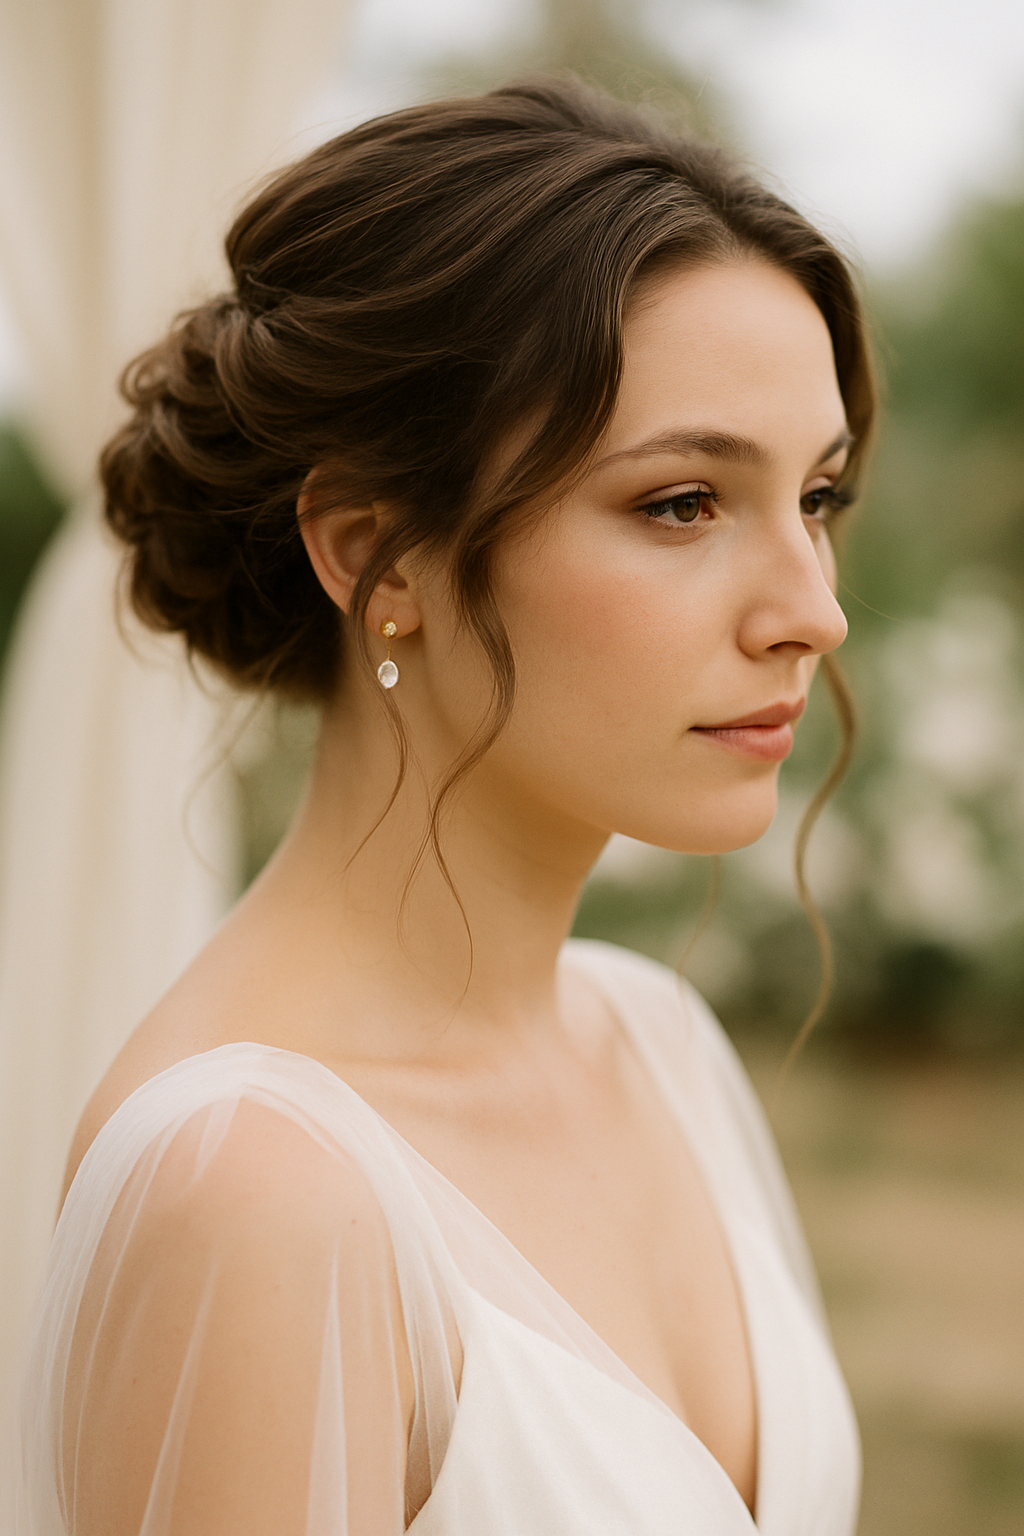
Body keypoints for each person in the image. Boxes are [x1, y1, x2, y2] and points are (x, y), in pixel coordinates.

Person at [16, 77, 875, 1535]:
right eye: (681, 503)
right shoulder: (255, 1191)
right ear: (377, 554)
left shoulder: (657, 1047)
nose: (813, 612)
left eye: (819, 499)